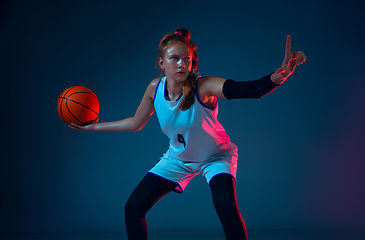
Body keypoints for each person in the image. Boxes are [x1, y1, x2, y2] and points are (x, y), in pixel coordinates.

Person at [70, 28, 306, 240]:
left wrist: (278, 77)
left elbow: (248, 89)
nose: (182, 64)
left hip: (216, 157)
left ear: (193, 64)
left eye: (187, 60)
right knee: (133, 208)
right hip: (179, 159)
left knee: (225, 206)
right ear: (162, 62)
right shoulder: (155, 89)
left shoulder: (204, 87)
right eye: (175, 59)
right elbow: (135, 122)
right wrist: (92, 126)